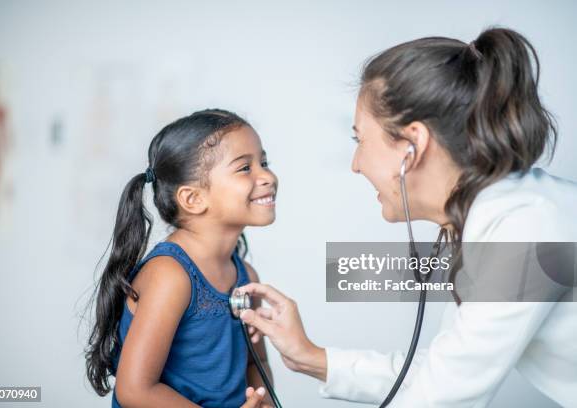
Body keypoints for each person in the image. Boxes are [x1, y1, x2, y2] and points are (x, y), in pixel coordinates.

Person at [238, 27, 577, 407]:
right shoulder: (492, 219)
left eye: (359, 140)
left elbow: (441, 398)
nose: (356, 165)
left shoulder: (525, 229)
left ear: (412, 145)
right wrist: (309, 356)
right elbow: (442, 372)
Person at [84, 109, 278, 407]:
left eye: (263, 163)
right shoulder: (170, 275)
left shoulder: (247, 277)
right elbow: (135, 390)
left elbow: (256, 363)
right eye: (245, 168)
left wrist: (261, 401)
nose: (267, 176)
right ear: (193, 199)